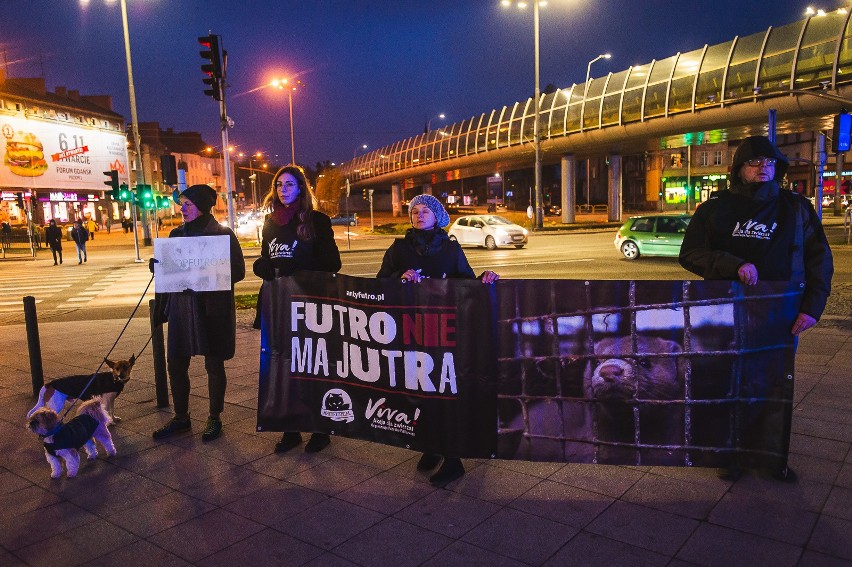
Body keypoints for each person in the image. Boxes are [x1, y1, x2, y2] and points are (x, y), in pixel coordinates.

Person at [679, 135, 834, 482]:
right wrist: (730, 263)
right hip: (726, 312)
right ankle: (728, 453)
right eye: (754, 162)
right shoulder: (714, 209)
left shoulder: (797, 208)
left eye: (769, 162)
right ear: (739, 169)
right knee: (728, 384)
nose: (762, 167)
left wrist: (813, 308)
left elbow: (819, 260)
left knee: (771, 387)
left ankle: (769, 458)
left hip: (780, 315)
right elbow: (689, 254)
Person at [376, 193, 499, 487]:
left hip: (445, 331)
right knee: (419, 389)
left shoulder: (451, 249)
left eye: (425, 211)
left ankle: (453, 460)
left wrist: (485, 278)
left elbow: (466, 282)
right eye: (414, 211)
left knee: (444, 391)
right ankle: (430, 446)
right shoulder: (399, 248)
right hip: (411, 330)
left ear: (437, 217)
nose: (419, 215)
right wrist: (398, 278)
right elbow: (380, 282)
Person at [253, 165, 342, 454]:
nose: (283, 190)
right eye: (279, 185)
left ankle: (320, 429)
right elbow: (267, 256)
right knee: (281, 364)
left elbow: (332, 263)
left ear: (301, 188)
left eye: (289, 184)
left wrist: (299, 267)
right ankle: (290, 429)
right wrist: (262, 265)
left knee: (311, 365)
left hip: (309, 303)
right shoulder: (270, 222)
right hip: (277, 302)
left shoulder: (317, 220)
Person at [151, 184, 246, 442]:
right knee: (176, 363)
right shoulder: (176, 235)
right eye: (181, 204)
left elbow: (238, 271)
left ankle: (214, 417)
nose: (182, 209)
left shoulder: (222, 234)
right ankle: (181, 417)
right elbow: (170, 273)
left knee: (213, 363)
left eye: (188, 204)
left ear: (202, 206)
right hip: (182, 308)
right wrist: (159, 267)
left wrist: (206, 273)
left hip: (210, 309)